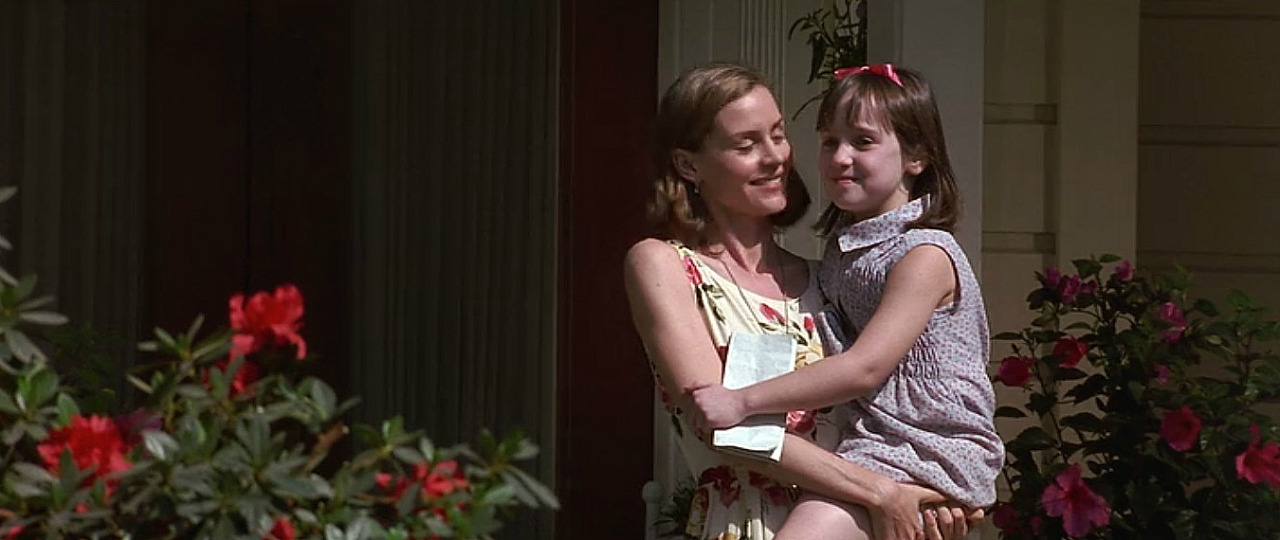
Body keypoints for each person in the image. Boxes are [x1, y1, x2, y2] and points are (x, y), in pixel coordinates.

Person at [625, 63, 975, 540]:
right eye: (747, 145)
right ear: (689, 165)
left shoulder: (829, 280)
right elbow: (721, 427)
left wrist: (929, 495)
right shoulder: (664, 266)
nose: (775, 158)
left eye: (778, 135)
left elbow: (895, 400)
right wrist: (883, 494)